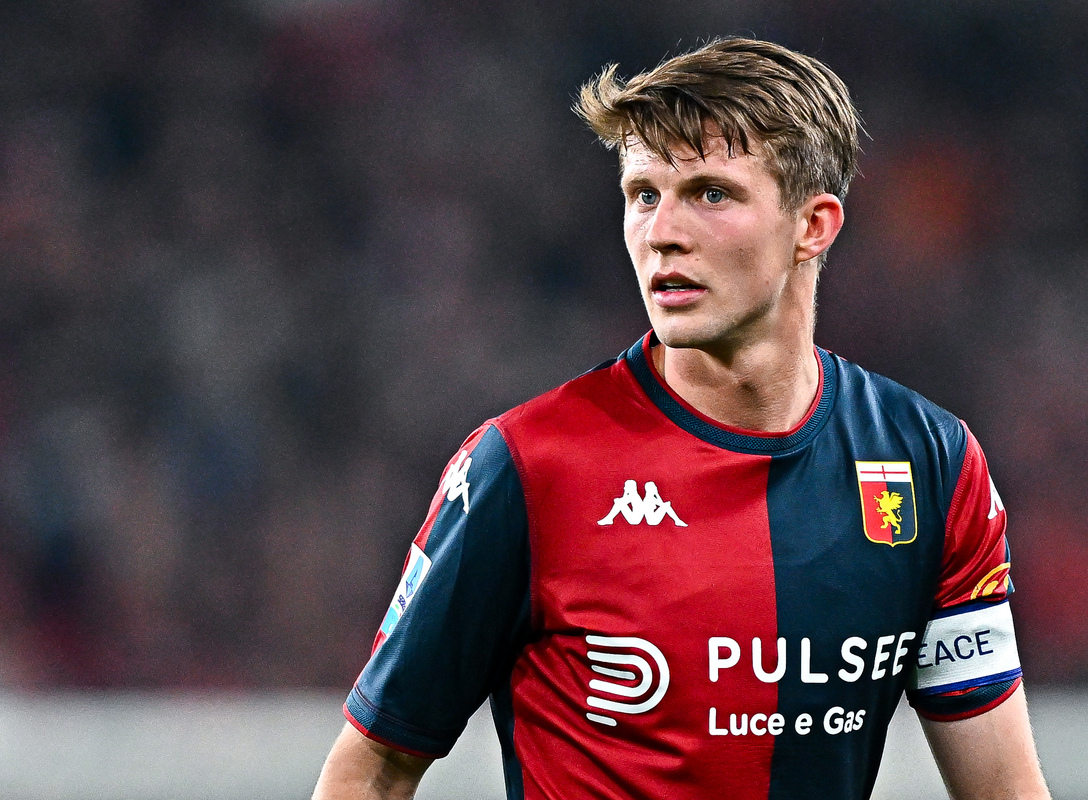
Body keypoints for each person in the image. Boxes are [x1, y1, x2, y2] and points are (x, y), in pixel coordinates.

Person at [313, 37, 1050, 800]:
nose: (662, 230)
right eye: (643, 194)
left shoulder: (930, 463)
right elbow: (373, 769)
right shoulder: (529, 467)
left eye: (709, 193)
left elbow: (1004, 791)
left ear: (814, 226)